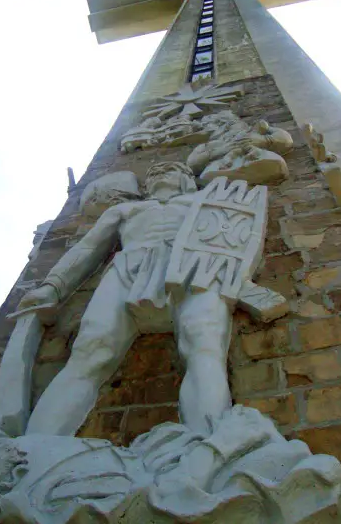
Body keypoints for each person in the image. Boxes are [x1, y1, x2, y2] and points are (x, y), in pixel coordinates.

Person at [19, 162, 233, 437]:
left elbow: (234, 238)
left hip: (193, 268)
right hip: (128, 270)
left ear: (186, 180)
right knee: (91, 351)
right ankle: (34, 446)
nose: (160, 173)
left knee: (204, 343)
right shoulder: (126, 209)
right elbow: (88, 248)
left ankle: (213, 443)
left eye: (169, 170)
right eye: (155, 172)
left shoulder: (207, 202)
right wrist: (53, 287)